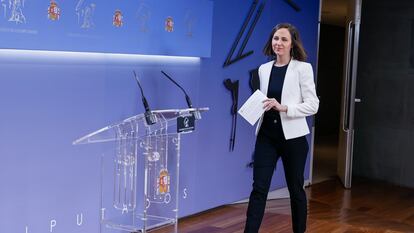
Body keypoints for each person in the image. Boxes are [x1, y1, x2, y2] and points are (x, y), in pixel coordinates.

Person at [244, 23, 319, 233]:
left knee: (295, 189)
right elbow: (264, 100)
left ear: (292, 44)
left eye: (284, 39)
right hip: (266, 136)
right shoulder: (263, 69)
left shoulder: (303, 68)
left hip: (293, 139)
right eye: (276, 38)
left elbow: (313, 105)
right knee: (259, 189)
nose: (278, 43)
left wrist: (283, 107)